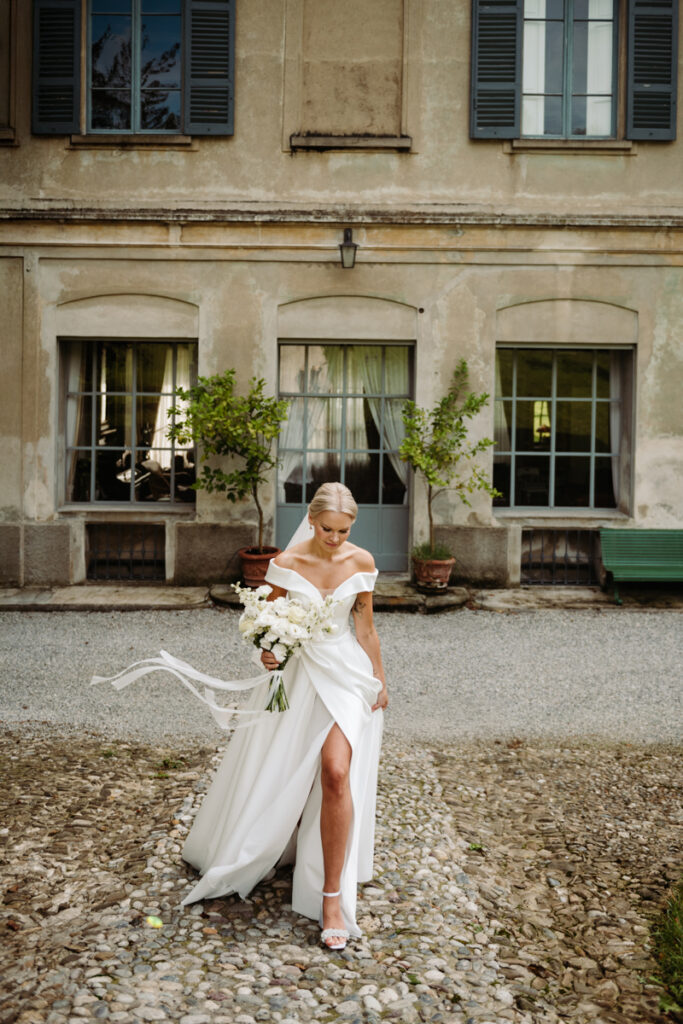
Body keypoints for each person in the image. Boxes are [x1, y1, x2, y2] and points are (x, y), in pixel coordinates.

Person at [179, 482, 388, 949]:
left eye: (344, 530)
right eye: (327, 528)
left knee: (336, 771)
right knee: (284, 769)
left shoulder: (362, 562)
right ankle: (275, 843)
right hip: (295, 679)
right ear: (310, 520)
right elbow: (259, 624)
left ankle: (332, 896)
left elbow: (366, 626)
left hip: (346, 675)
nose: (335, 538)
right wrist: (266, 656)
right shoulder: (286, 565)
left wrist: (380, 679)